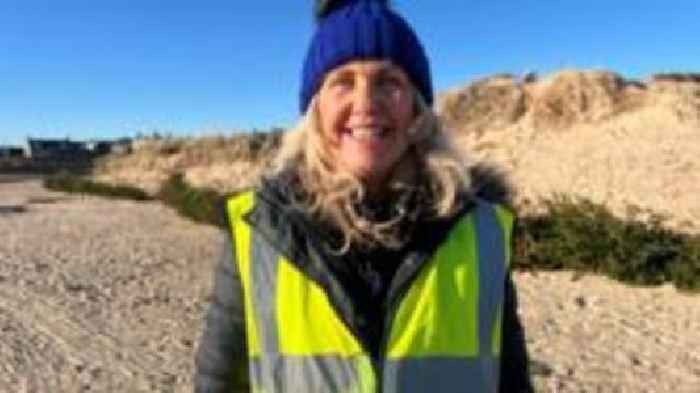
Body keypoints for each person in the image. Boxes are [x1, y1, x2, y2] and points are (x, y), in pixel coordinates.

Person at [194, 0, 533, 392]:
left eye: (389, 81)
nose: (366, 102)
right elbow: (218, 382)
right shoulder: (259, 230)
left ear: (417, 112)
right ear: (315, 111)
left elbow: (512, 381)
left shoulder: (480, 231)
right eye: (343, 82)